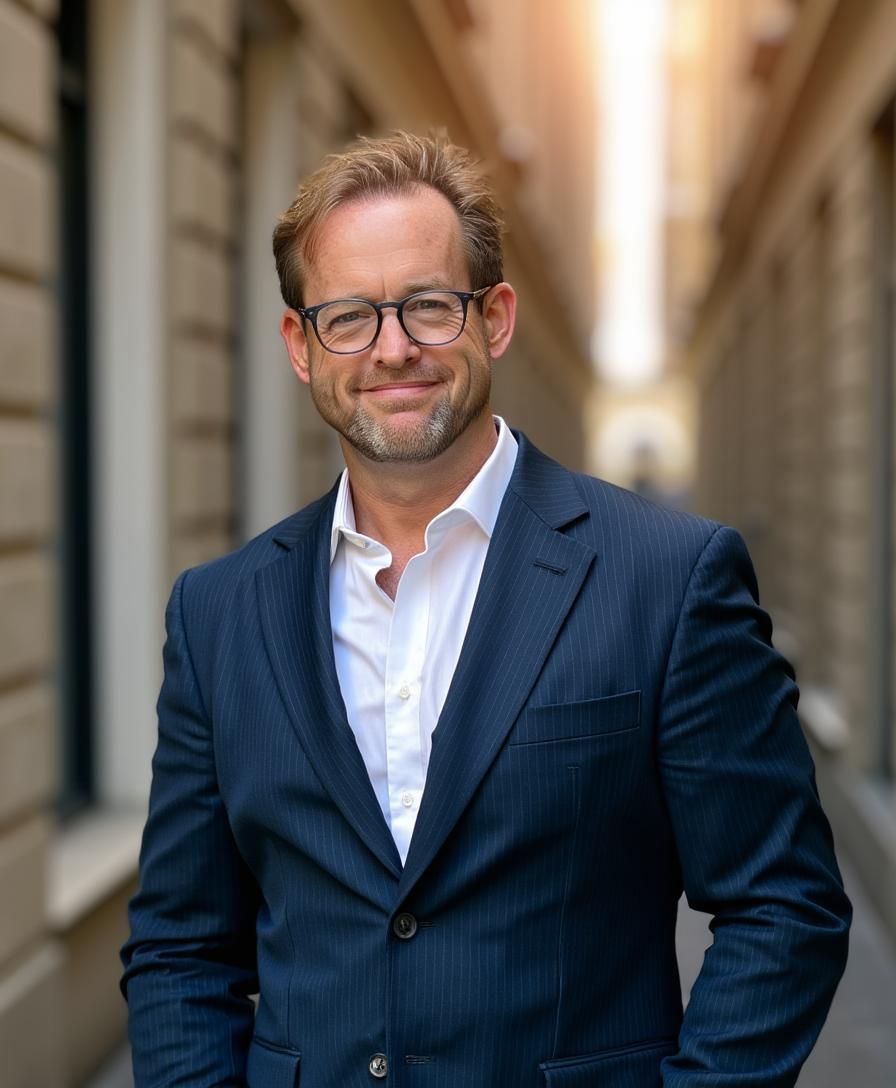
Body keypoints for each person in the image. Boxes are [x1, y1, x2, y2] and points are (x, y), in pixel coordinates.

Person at [121, 131, 850, 1088]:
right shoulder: (217, 614)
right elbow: (181, 946)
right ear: (301, 346)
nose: (392, 350)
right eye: (348, 317)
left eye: (428, 306)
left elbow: (783, 906)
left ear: (494, 318)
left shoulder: (670, 580)